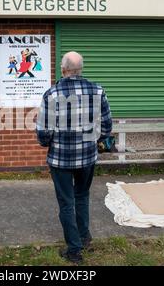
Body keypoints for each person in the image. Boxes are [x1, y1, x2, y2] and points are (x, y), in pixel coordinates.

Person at [36, 51, 113, 264]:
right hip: (88, 156)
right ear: (81, 69)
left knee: (66, 202)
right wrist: (92, 138)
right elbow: (106, 127)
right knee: (82, 196)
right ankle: (84, 237)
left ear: (63, 70)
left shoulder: (51, 94)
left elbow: (43, 134)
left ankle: (74, 250)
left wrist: (50, 143)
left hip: (61, 158)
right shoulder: (98, 91)